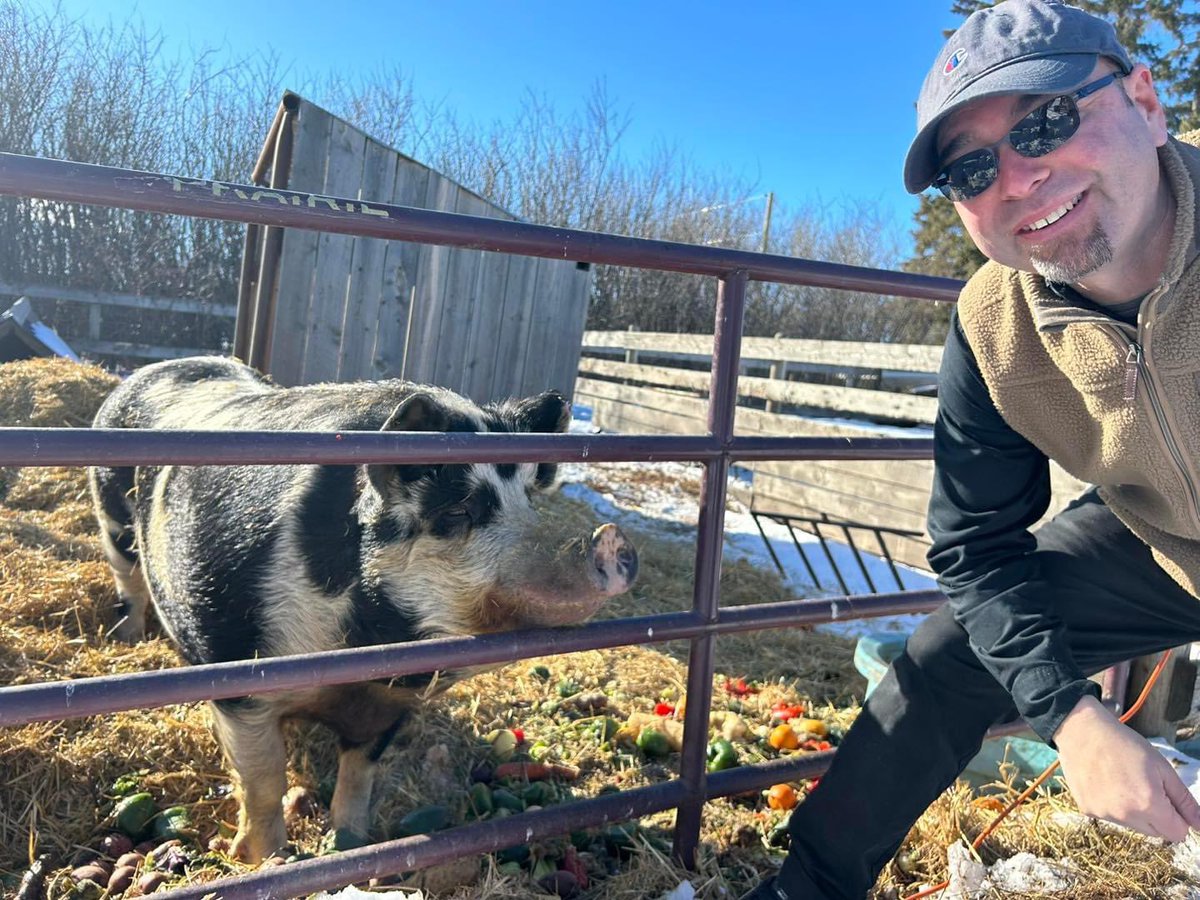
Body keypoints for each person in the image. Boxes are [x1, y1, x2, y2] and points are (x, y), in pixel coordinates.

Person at [740, 1, 1200, 897]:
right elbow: (977, 549)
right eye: (973, 167)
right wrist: (1073, 718)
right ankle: (807, 887)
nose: (1020, 179)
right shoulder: (995, 324)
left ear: (1145, 101)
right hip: (1163, 543)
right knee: (951, 653)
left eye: (1048, 122)